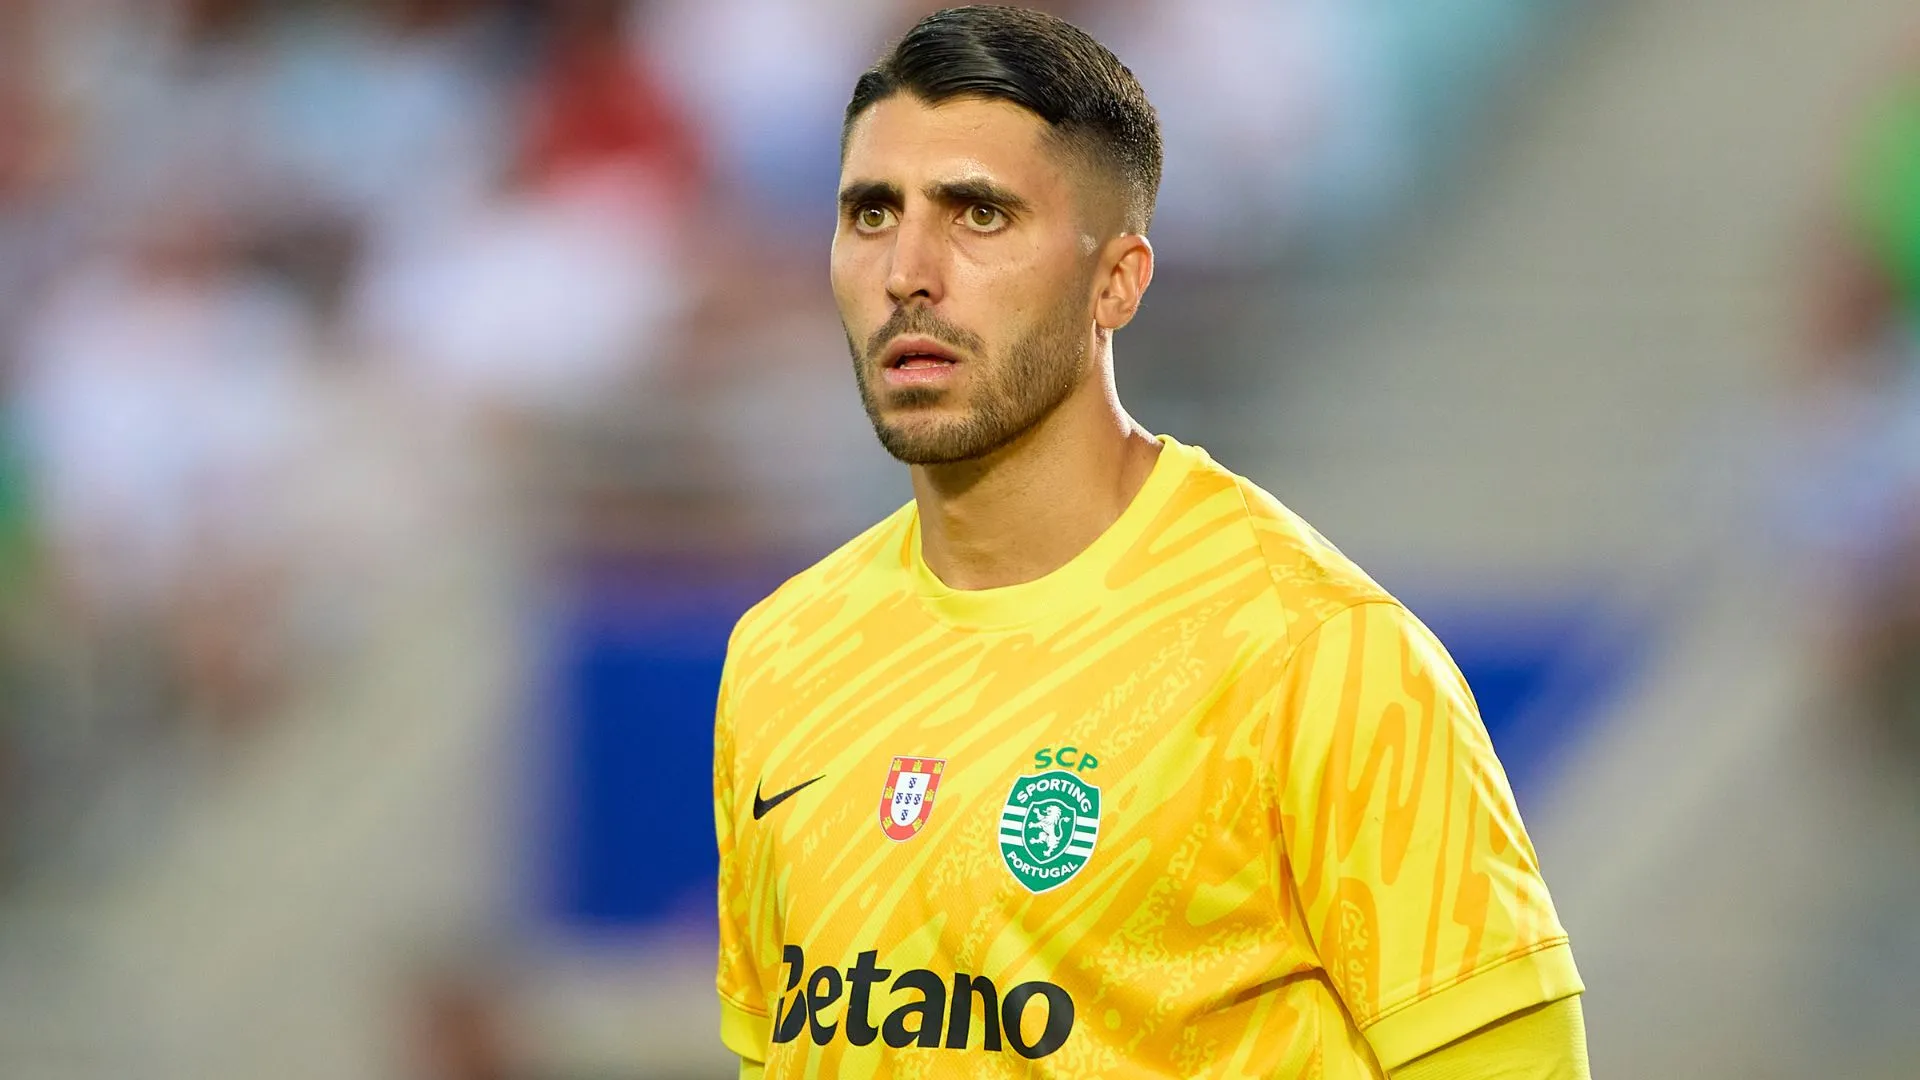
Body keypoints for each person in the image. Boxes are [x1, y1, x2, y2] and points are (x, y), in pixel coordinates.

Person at [712, 7, 1588, 1077]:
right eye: (871, 212)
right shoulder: (782, 656)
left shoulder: (1316, 654)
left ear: (1117, 280)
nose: (909, 270)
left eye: (980, 215)